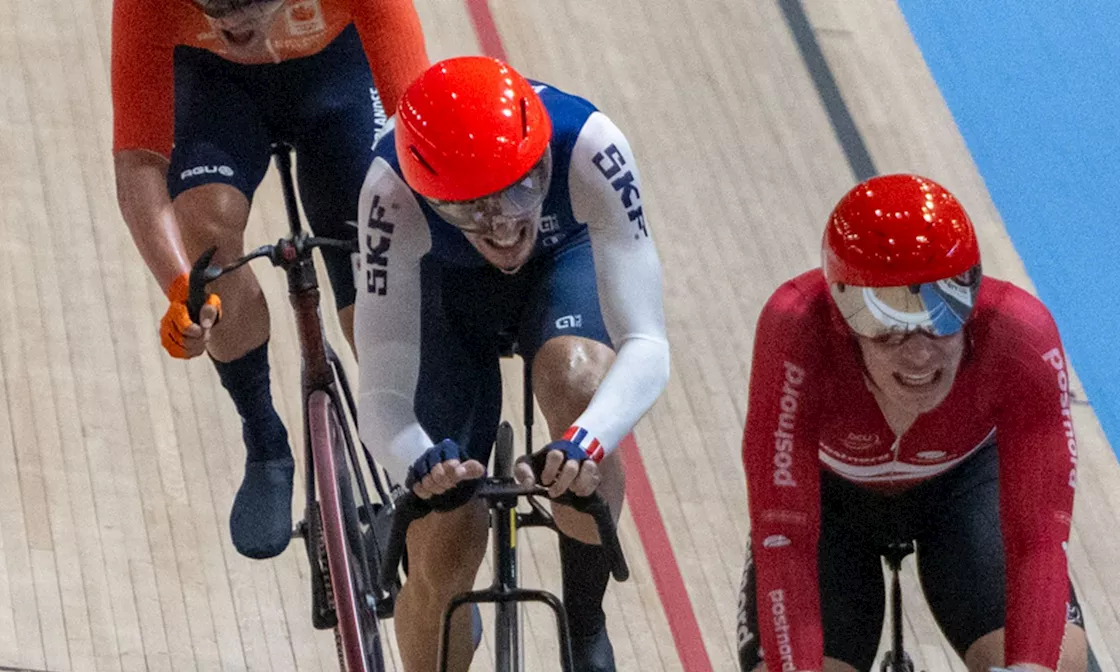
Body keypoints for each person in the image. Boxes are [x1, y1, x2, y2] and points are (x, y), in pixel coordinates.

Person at [354, 56, 670, 672]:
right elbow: (381, 397)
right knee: (445, 547)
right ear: (425, 190)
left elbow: (648, 344)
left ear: (543, 156)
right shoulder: (389, 190)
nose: (502, 224)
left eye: (521, 188)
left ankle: (584, 620)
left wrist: (586, 441)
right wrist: (417, 460)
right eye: (469, 208)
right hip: (445, 292)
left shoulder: (589, 143)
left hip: (561, 262)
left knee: (580, 382)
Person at [110, 0, 428, 559]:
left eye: (244, 11)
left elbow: (419, 130)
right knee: (205, 238)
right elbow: (138, 161)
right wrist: (182, 289)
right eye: (214, 12)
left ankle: (409, 459)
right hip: (215, 90)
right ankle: (264, 439)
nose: (233, 29)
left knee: (377, 249)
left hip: (337, 75)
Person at [736, 174, 1089, 672]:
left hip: (964, 493)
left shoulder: (1020, 335)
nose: (920, 353)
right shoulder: (796, 329)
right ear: (842, 317)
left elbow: (1039, 539)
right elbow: (783, 537)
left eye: (944, 318)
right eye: (887, 330)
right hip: (832, 507)